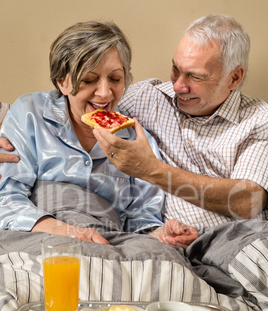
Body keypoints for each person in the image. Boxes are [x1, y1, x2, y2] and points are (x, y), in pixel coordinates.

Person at [0, 21, 198, 247]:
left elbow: (141, 223)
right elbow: (6, 196)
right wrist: (63, 230)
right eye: (89, 80)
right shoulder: (29, 114)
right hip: (37, 238)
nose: (104, 94)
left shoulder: (137, 140)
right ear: (62, 82)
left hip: (108, 244)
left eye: (115, 79)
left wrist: (163, 234)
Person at [92, 14, 268, 229]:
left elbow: (247, 201)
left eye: (196, 76)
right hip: (166, 242)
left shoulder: (260, 119)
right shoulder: (145, 97)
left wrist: (150, 169)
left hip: (238, 239)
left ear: (234, 77)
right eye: (176, 69)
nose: (178, 86)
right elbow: (77, 108)